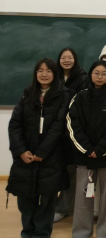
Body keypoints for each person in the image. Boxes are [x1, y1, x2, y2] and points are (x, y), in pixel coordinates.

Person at [7, 58, 71, 238]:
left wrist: (42, 152)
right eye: (40, 70)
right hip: (26, 156)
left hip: (51, 156)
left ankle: (42, 234)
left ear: (55, 73)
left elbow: (59, 126)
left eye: (48, 70)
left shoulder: (64, 94)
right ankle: (27, 232)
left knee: (48, 199)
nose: (44, 74)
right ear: (35, 73)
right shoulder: (28, 93)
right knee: (25, 198)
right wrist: (20, 151)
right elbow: (15, 124)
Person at [67, 60, 106, 238]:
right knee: (83, 197)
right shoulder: (80, 96)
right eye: (96, 73)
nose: (100, 77)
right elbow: (73, 125)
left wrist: (100, 149)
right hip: (84, 156)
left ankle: (105, 233)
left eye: (104, 73)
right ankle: (81, 232)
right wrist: (87, 149)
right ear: (91, 74)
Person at [54, 48, 90, 223]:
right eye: (63, 57)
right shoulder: (53, 75)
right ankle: (50, 206)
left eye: (70, 57)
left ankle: (63, 208)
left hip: (72, 130)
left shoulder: (83, 78)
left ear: (75, 59)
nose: (66, 60)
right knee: (53, 171)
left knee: (71, 171)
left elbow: (81, 104)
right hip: (54, 130)